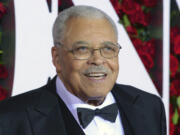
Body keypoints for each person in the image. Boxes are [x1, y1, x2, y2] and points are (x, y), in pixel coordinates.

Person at [0, 5, 166, 135]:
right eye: (82, 49)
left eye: (108, 49)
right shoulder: (11, 118)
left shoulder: (150, 107)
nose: (97, 60)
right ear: (57, 58)